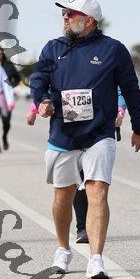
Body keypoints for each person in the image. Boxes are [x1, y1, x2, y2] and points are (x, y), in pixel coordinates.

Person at [30, 0, 140, 279]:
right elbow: (38, 82)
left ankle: (96, 258)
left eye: (71, 13)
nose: (65, 17)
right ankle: (63, 248)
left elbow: (131, 89)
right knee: (63, 196)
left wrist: (139, 128)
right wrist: (42, 101)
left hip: (99, 133)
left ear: (89, 20)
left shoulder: (113, 50)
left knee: (98, 190)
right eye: (64, 13)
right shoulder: (52, 48)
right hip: (63, 134)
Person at [27, 88, 127, 245]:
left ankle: (91, 233)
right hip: (71, 131)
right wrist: (34, 109)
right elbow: (49, 86)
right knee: (78, 181)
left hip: (98, 130)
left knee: (95, 184)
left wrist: (120, 111)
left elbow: (119, 89)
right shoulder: (65, 71)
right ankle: (82, 228)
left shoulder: (105, 70)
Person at [0, 50, 22, 151]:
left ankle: (4, 137)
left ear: (2, 54)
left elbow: (18, 79)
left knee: (6, 122)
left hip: (7, 98)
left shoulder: (9, 65)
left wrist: (11, 87)